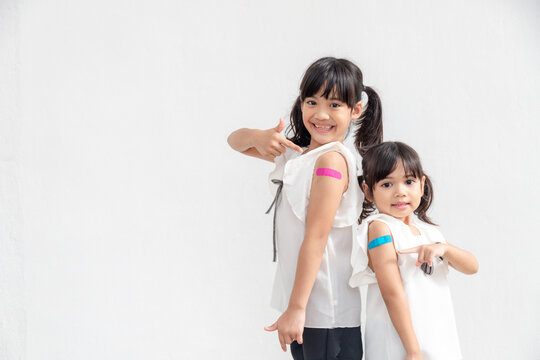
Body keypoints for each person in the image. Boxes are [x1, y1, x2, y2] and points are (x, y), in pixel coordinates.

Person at [227, 57, 383, 359]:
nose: (321, 114)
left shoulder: (331, 161)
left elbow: (316, 237)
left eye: (335, 105)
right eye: (312, 101)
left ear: (356, 111)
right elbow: (234, 141)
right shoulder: (299, 157)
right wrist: (258, 137)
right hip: (308, 313)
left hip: (325, 313)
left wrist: (297, 309)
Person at [349, 141, 479, 360]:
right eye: (387, 184)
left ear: (422, 185)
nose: (400, 192)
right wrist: (413, 350)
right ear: (368, 191)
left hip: (437, 336)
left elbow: (472, 267)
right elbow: (392, 293)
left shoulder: (430, 233)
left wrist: (444, 249)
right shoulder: (380, 228)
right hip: (400, 341)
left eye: (409, 181)